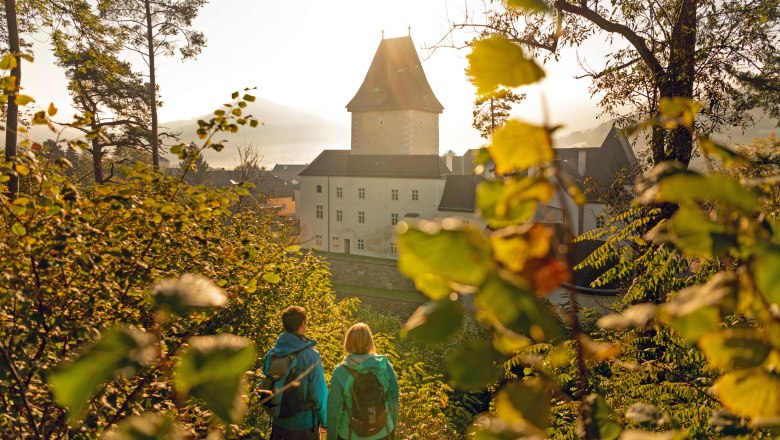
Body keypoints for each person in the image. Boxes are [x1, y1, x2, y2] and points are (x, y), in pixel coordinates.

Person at [263, 305, 328, 439]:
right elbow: (319, 395)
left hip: (278, 422)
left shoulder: (272, 353)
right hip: (304, 425)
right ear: (303, 323)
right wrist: (325, 421)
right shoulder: (311, 356)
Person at [327, 323, 399, 440]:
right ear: (370, 342)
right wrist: (392, 426)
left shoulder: (341, 372)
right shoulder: (384, 365)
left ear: (347, 343)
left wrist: (331, 437)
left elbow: (334, 412)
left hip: (350, 434)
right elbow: (393, 398)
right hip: (384, 431)